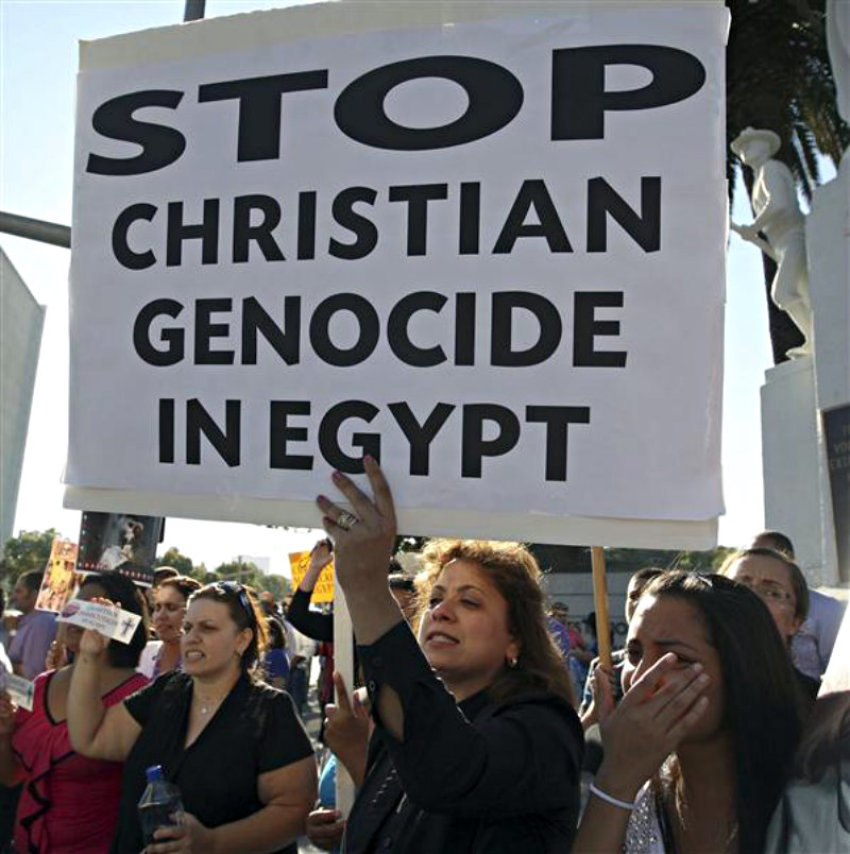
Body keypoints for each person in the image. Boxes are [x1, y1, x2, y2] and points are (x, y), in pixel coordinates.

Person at [316, 457, 584, 854]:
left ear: (515, 640)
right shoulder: (398, 727)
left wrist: (367, 587)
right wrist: (361, 761)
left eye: (470, 601)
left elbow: (448, 775)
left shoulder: (544, 730)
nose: (441, 611)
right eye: (435, 599)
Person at [67, 581, 317, 854]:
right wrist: (89, 654)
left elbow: (294, 810)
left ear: (242, 640)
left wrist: (212, 842)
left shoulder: (269, 710)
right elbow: (90, 738)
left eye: (207, 628)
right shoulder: (166, 690)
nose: (192, 637)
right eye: (187, 627)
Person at [572, 571, 804, 854]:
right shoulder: (634, 792)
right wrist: (616, 780)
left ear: (742, 670)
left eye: (677, 658)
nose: (640, 677)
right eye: (634, 653)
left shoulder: (815, 798)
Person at [0, 573, 149, 854]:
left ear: (122, 622)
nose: (78, 615)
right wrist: (4, 736)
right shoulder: (42, 684)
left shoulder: (140, 696)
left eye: (94, 608)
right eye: (75, 604)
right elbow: (12, 776)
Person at [719, 547, 820, 700]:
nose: (751, 598)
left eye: (772, 593)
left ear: (795, 622)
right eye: (737, 587)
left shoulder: (819, 705)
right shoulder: (688, 687)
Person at [749, 530, 845, 680]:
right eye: (751, 554)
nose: (754, 562)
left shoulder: (827, 609)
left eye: (765, 555)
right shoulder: (737, 606)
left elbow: (840, 672)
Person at [137, 575, 201, 679]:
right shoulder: (143, 653)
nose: (161, 616)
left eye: (171, 607)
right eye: (157, 607)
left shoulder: (205, 662)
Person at [8, 571, 57, 680]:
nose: (13, 596)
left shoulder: (43, 622)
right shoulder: (25, 620)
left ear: (34, 595)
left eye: (19, 591)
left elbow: (31, 673)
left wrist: (4, 664)